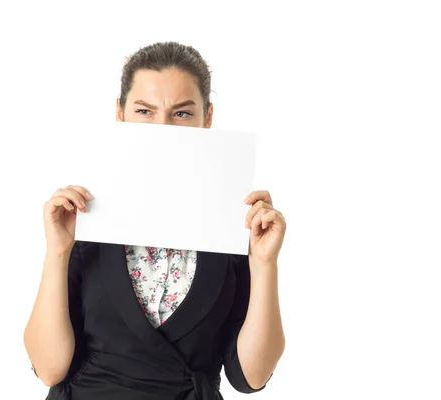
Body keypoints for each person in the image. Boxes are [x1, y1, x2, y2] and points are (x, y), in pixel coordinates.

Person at [24, 41, 286, 400]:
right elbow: (50, 368)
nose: (163, 128)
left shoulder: (234, 224)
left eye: (181, 113)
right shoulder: (83, 216)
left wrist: (264, 264)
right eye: (145, 111)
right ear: (121, 114)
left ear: (207, 119)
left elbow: (250, 377)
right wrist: (57, 252)